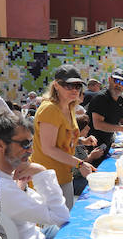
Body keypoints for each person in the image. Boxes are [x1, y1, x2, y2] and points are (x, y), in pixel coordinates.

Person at [0, 112, 70, 239]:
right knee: (75, 232)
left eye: (31, 143)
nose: (30, 151)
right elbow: (61, 216)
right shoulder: (2, 187)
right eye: (25, 144)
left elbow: (42, 207)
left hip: (32, 237)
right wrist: (41, 171)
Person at [31, 66, 98, 209]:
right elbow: (49, 148)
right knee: (51, 228)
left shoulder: (69, 106)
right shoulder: (50, 109)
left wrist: (81, 140)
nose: (74, 89)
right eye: (69, 85)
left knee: (64, 222)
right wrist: (80, 164)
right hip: (47, 179)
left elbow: (62, 138)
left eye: (78, 86)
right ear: (56, 85)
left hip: (64, 176)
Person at [87, 70, 123, 150]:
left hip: (109, 141)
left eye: (122, 83)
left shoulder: (120, 99)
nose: (119, 85)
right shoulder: (101, 98)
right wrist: (121, 128)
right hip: (95, 144)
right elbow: (98, 125)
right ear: (110, 80)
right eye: (116, 81)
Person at [72, 114, 108, 195]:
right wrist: (91, 157)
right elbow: (76, 171)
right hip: (76, 181)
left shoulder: (80, 141)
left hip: (81, 178)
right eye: (85, 126)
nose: (88, 128)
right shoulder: (71, 145)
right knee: (99, 186)